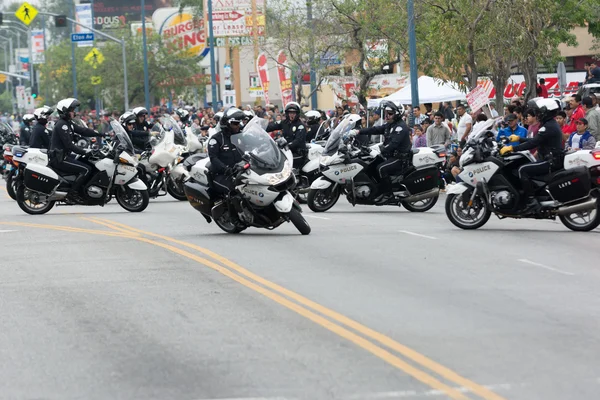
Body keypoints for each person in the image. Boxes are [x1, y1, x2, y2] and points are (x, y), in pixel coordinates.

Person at [500, 98, 564, 211]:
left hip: (549, 161)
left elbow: (533, 143)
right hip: (550, 159)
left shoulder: (548, 127)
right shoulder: (549, 124)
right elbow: (536, 140)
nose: (537, 114)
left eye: (539, 111)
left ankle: (531, 200)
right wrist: (519, 138)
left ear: (545, 112)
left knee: (522, 170)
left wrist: (512, 148)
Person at [349, 100, 411, 203]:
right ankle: (375, 190)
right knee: (370, 165)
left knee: (381, 168)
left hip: (399, 158)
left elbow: (392, 144)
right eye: (386, 113)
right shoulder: (390, 125)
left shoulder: (400, 128)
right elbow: (375, 129)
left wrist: (379, 150)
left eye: (390, 113)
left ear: (397, 114)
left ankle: (388, 194)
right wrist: (358, 131)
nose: (387, 116)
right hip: (389, 156)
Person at [49, 98, 104, 198]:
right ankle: (73, 193)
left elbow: (83, 131)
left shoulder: (68, 123)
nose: (74, 112)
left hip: (65, 155)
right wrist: (85, 152)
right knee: (86, 169)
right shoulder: (62, 125)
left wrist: (101, 134)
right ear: (65, 111)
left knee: (89, 163)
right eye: (72, 110)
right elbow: (69, 145)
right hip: (59, 158)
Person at [207, 107, 246, 199]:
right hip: (222, 175)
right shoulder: (216, 139)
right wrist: (227, 169)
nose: (238, 126)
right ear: (227, 124)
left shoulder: (241, 136)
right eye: (235, 123)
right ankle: (235, 213)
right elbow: (213, 158)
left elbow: (252, 148)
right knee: (235, 191)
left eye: (239, 123)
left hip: (240, 172)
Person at [266, 102, 306, 168]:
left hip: (297, 153)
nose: (291, 115)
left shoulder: (300, 125)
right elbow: (272, 126)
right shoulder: (284, 122)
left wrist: (288, 146)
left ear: (297, 114)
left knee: (284, 166)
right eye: (290, 113)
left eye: (293, 113)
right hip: (286, 151)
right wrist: (261, 127)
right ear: (287, 113)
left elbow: (298, 140)